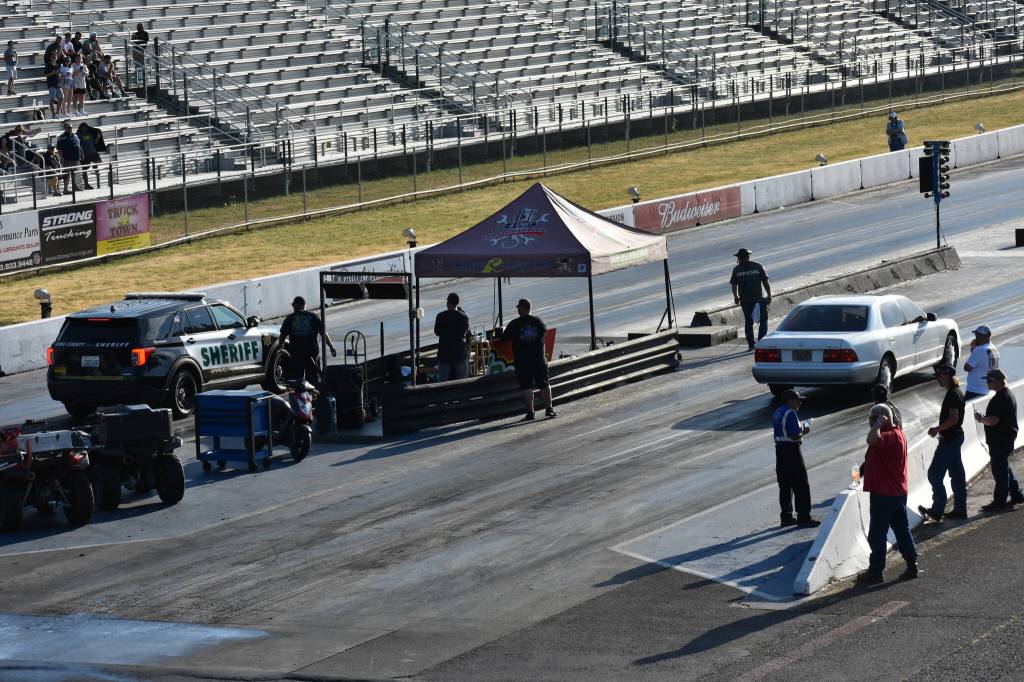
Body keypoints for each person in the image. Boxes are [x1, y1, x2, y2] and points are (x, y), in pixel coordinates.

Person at [856, 403, 918, 584]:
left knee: (877, 534)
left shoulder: (889, 436)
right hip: (896, 492)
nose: (870, 423)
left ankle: (875, 571)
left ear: (881, 419)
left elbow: (872, 440)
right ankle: (911, 564)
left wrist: (877, 425)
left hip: (884, 494)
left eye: (871, 420)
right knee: (901, 529)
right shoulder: (898, 433)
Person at [918, 363, 967, 522]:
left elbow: (954, 418)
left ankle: (937, 509)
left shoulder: (953, 394)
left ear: (946, 375)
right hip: (955, 438)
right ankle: (960, 510)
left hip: (950, 439)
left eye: (939, 376)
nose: (938, 379)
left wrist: (937, 429)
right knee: (957, 475)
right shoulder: (955, 392)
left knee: (934, 474)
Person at [500, 298, 556, 422]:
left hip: (522, 361)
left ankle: (530, 412)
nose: (517, 309)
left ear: (522, 308)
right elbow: (543, 335)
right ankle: (549, 409)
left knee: (526, 387)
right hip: (538, 359)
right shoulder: (539, 322)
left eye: (518, 307)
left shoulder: (514, 324)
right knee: (544, 384)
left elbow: (503, 339)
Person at [975, 369, 1022, 512]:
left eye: (989, 380)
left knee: (999, 471)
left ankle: (999, 502)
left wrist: (981, 419)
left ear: (998, 381)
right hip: (1003, 439)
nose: (987, 383)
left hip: (1000, 440)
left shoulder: (1001, 398)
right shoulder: (1005, 395)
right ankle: (1017, 495)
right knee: (1003, 467)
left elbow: (994, 420)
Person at [771, 389, 819, 528]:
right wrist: (805, 431)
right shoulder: (790, 413)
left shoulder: (778, 412)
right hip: (792, 452)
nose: (800, 403)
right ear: (791, 401)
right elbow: (794, 436)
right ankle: (804, 517)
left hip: (780, 451)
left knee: (785, 485)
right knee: (801, 485)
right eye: (798, 400)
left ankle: (786, 516)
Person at [280, 295, 336, 384]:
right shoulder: (313, 317)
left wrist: (280, 347)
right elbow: (323, 333)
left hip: (296, 354)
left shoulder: (290, 318)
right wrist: (331, 347)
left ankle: (300, 397)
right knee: (313, 381)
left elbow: (282, 336)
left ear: (295, 305)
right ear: (304, 305)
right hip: (312, 353)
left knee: (297, 381)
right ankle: (314, 397)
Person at [730, 248, 772, 351]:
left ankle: (751, 345)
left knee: (749, 322)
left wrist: (736, 296)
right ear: (749, 256)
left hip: (746, 301)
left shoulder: (737, 269)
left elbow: (734, 285)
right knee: (763, 320)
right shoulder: (758, 266)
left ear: (739, 258)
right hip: (758, 299)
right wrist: (769, 295)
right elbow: (765, 282)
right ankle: (761, 342)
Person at [434, 292, 471, 381]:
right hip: (459, 352)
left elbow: (436, 332)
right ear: (457, 303)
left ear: (448, 303)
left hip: (444, 353)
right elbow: (466, 334)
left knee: (443, 381)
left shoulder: (440, 316)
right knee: (464, 380)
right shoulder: (464, 317)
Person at [964, 324, 999, 400]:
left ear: (982, 336)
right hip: (988, 389)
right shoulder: (995, 349)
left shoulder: (979, 350)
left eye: (976, 335)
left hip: (974, 390)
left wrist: (973, 350)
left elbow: (967, 367)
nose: (975, 337)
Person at [76, 122, 105, 190]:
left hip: (92, 152)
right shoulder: (78, 135)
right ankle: (86, 184)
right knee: (84, 169)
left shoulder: (88, 134)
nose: (85, 129)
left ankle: (95, 169)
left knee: (99, 161)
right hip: (85, 154)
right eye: (84, 127)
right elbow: (78, 144)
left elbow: (94, 142)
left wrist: (98, 137)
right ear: (81, 127)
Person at [55, 120, 81, 194]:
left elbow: (79, 145)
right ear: (65, 128)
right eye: (68, 128)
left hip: (75, 158)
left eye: (71, 128)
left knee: (74, 173)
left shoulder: (75, 135)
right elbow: (59, 149)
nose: (70, 129)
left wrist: (81, 154)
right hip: (67, 159)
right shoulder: (61, 137)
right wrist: (62, 158)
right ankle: (65, 189)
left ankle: (74, 186)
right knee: (67, 174)